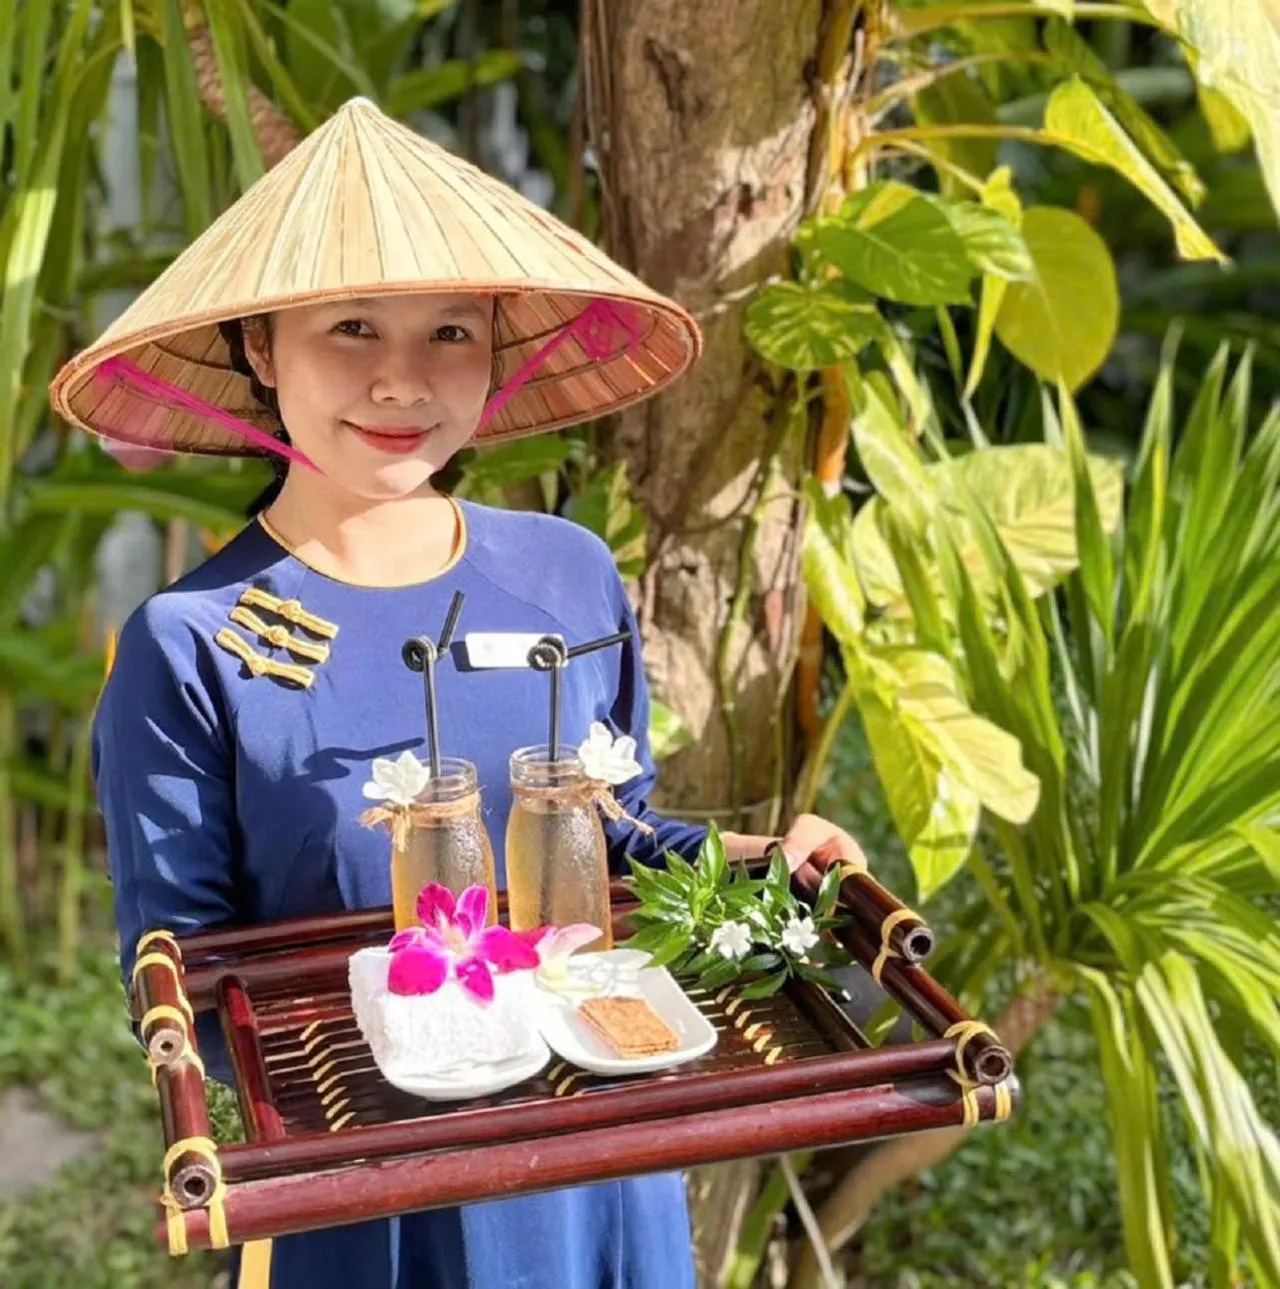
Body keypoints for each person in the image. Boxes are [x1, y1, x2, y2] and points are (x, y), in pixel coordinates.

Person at [51, 98, 865, 1289]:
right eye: (348, 328)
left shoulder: (563, 571)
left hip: (603, 1154)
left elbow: (612, 837)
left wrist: (756, 860)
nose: (401, 381)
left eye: (447, 330)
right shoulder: (192, 644)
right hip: (375, 1191)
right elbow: (182, 987)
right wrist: (427, 1023)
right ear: (260, 350)